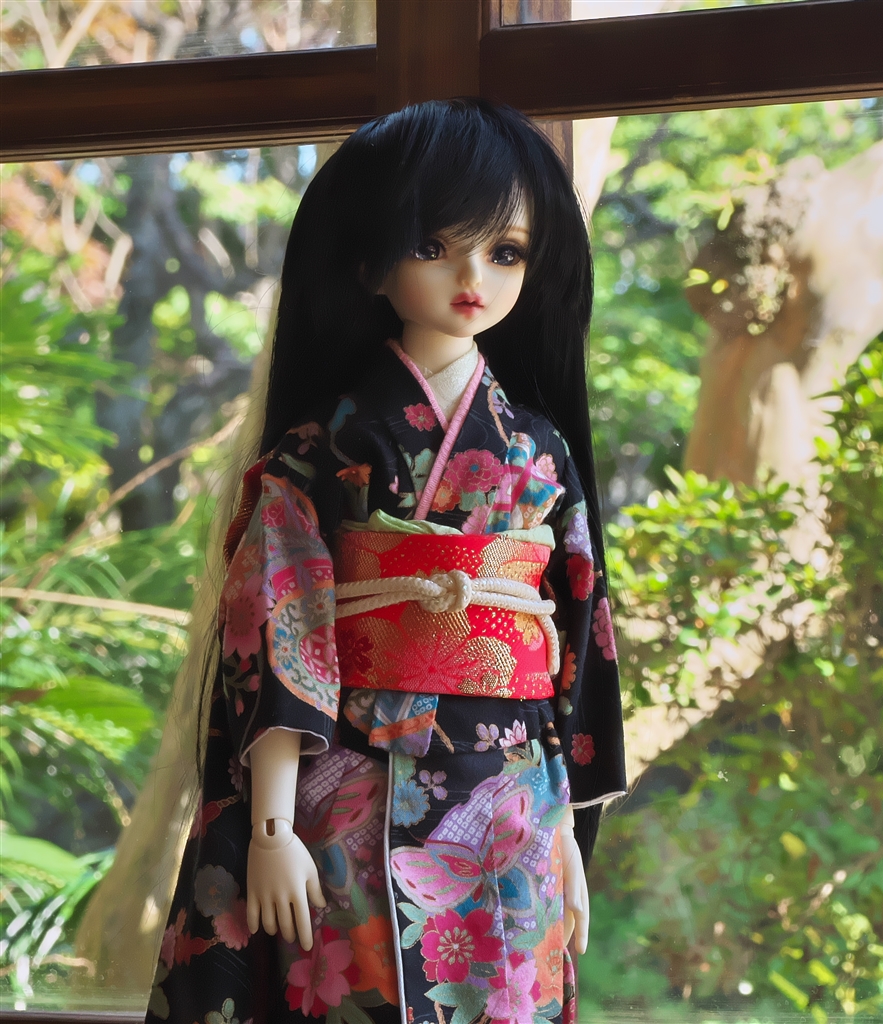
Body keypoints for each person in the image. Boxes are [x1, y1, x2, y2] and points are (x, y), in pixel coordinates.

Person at [147, 97, 625, 1024]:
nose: (472, 276)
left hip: (515, 799)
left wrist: (567, 823)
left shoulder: (540, 450)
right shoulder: (324, 448)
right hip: (352, 782)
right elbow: (279, 630)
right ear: (370, 263)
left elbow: (575, 637)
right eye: (434, 246)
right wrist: (271, 829)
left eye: (506, 252)